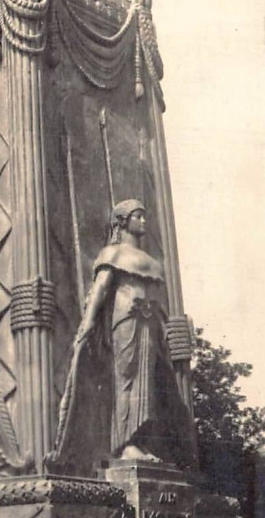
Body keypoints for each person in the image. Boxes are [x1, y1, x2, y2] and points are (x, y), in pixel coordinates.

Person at [51, 199, 194, 470]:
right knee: (125, 380)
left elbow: (159, 301)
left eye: (144, 216)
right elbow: (100, 289)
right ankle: (125, 444)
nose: (144, 221)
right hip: (125, 321)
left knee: (147, 385)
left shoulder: (152, 262)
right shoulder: (112, 253)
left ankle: (139, 442)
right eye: (138, 216)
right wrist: (88, 323)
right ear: (123, 221)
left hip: (148, 324)